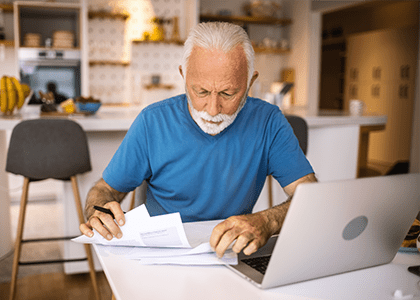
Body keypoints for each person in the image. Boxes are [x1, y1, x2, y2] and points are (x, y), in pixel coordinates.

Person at [79, 22, 317, 258]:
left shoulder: (268, 121)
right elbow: (104, 190)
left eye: (228, 93)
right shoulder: (153, 121)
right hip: (161, 255)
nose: (213, 110)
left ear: (250, 83)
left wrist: (268, 221)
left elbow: (310, 195)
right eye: (201, 92)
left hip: (230, 254)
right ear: (183, 75)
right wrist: (97, 211)